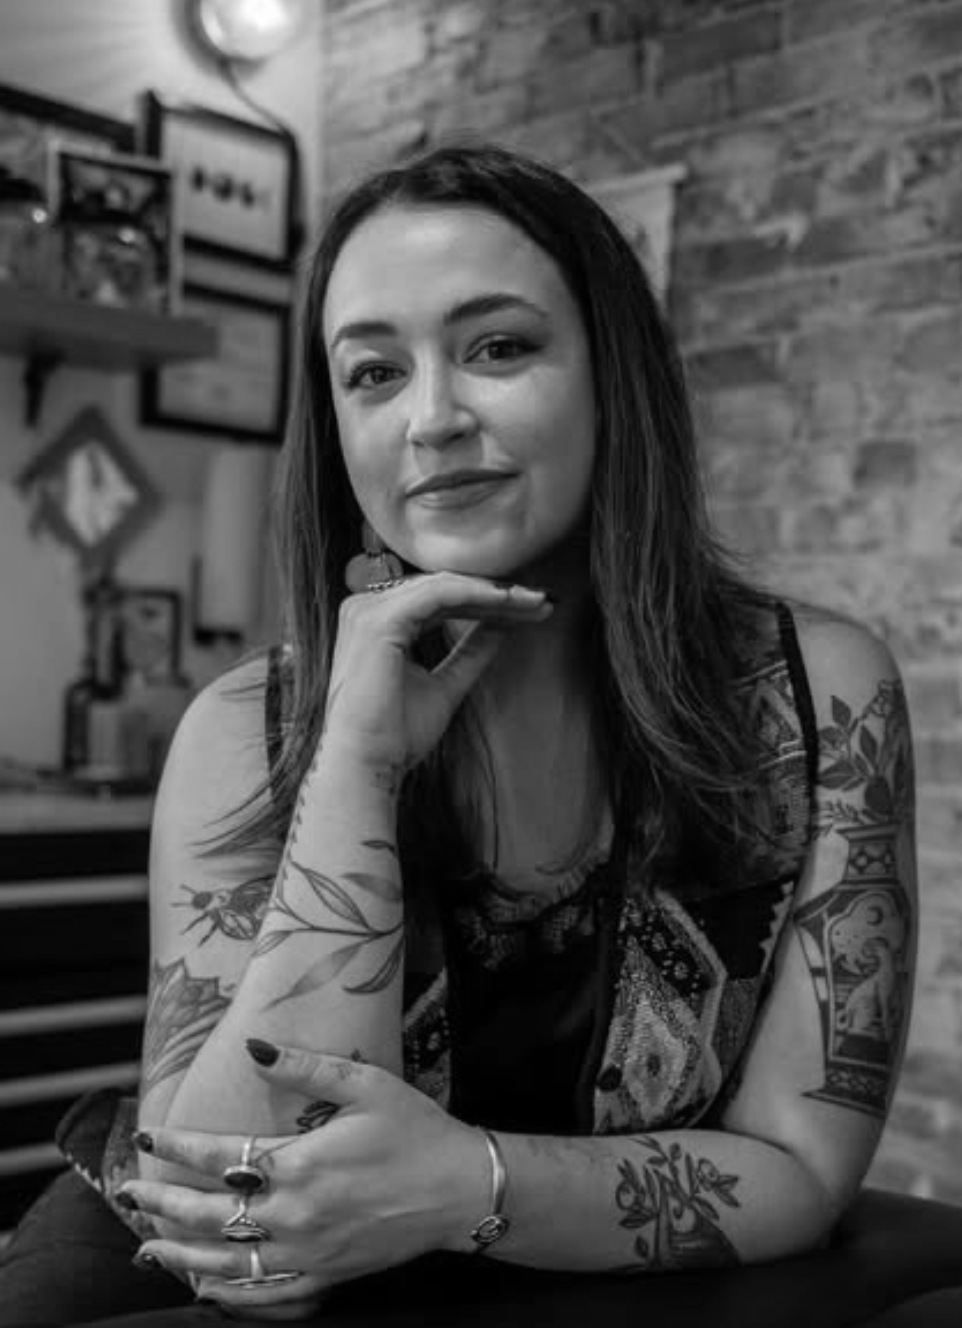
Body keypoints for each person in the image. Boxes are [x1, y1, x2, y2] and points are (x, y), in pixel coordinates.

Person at [0, 142, 919, 1325]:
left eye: (498, 347)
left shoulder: (813, 697)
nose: (430, 419)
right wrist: (359, 760)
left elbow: (800, 1164)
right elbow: (240, 1240)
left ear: (610, 376)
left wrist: (464, 1185)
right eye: (373, 373)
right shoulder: (244, 726)